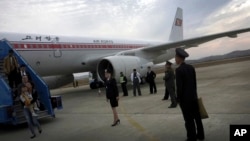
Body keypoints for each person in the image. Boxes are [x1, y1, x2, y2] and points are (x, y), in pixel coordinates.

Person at [175, 48, 204, 141]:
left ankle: (191, 137)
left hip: (185, 100)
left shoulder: (179, 70)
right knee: (197, 117)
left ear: (179, 58)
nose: (175, 59)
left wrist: (178, 99)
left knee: (188, 119)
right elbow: (194, 84)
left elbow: (179, 87)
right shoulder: (191, 67)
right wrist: (195, 95)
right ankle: (201, 135)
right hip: (193, 97)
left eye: (175, 57)